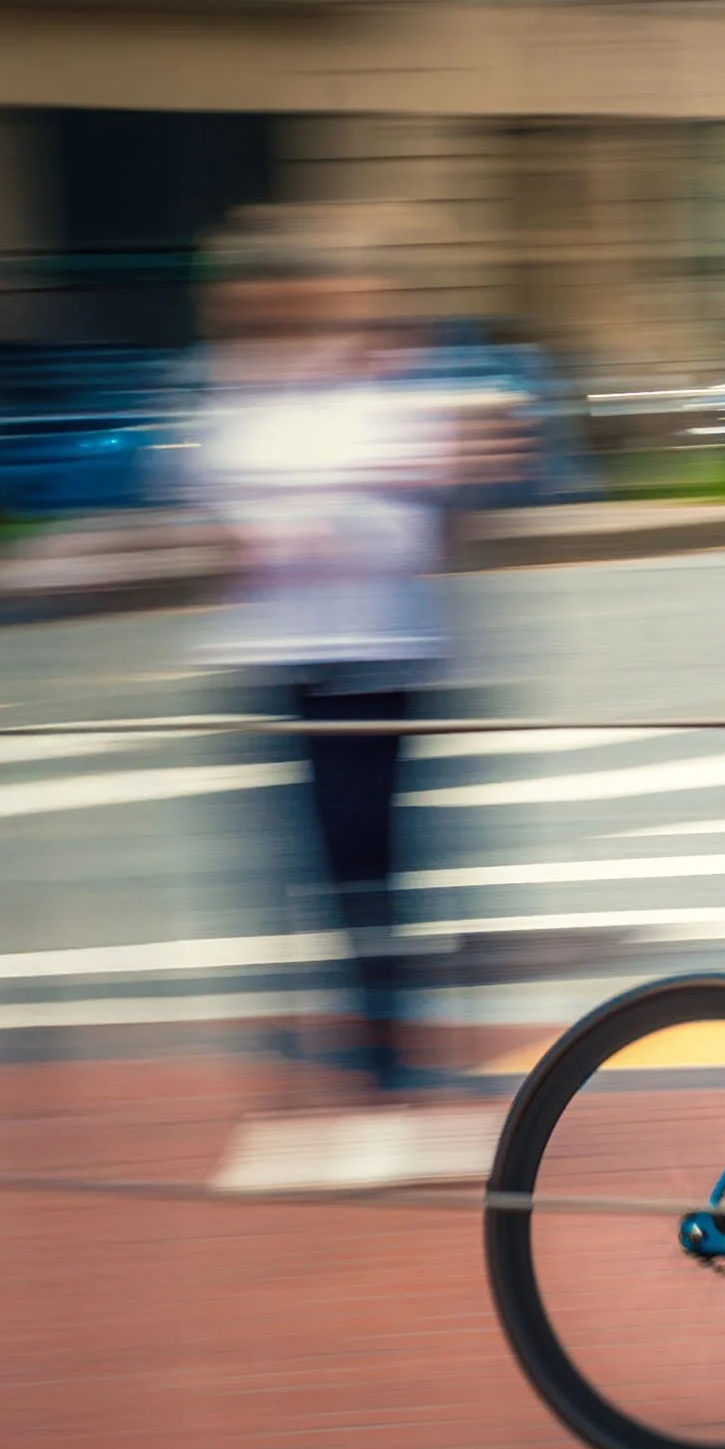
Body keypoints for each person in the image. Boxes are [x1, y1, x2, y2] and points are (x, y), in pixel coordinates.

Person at [184, 203, 459, 1094]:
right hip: (296, 659)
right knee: (320, 855)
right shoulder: (245, 402)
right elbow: (216, 516)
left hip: (381, 657)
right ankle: (350, 1033)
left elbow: (413, 518)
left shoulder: (372, 398)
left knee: (370, 854)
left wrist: (316, 530)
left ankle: (379, 1036)